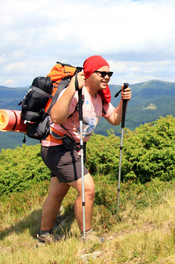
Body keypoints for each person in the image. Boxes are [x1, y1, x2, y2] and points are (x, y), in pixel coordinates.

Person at [36, 55, 131, 246]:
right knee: (88, 189)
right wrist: (73, 87)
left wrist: (124, 101)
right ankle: (86, 235)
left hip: (73, 148)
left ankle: (44, 236)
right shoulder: (77, 94)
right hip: (59, 147)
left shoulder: (100, 97)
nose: (106, 77)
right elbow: (55, 116)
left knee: (57, 193)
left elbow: (114, 119)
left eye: (109, 73)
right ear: (88, 74)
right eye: (102, 73)